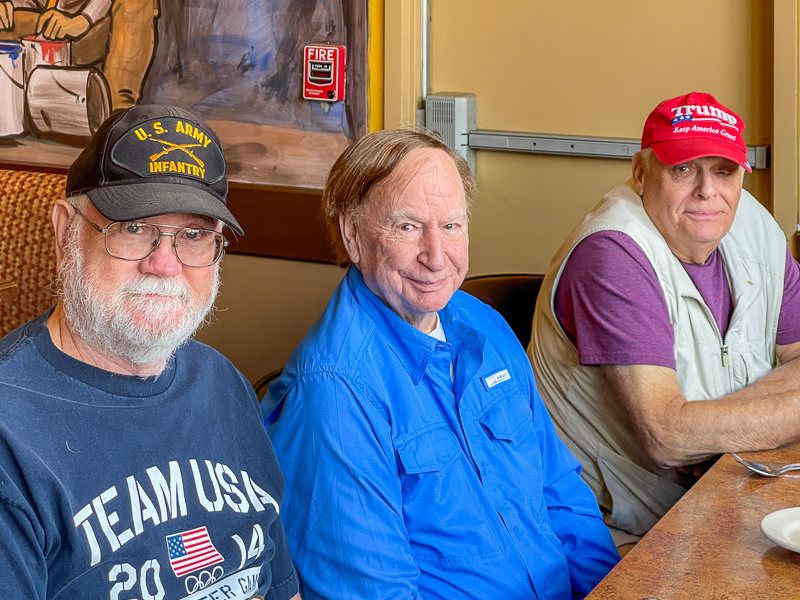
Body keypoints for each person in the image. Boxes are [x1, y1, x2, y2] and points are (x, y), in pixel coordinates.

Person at [265, 129, 620, 600]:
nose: (437, 257)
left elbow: (559, 491)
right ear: (353, 234)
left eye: (451, 225)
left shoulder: (483, 324)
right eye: (407, 226)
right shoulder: (332, 392)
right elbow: (374, 592)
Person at [0, 104, 300, 600]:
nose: (165, 264)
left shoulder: (223, 383)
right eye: (134, 228)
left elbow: (279, 584)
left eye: (195, 235)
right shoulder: (13, 436)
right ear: (63, 232)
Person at [529, 91, 800, 544]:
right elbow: (668, 437)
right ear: (640, 173)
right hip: (621, 527)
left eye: (724, 171)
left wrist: (712, 431)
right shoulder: (612, 252)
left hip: (720, 493)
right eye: (683, 168)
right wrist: (700, 430)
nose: (707, 191)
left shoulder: (751, 224)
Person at [0, 0, 158, 110]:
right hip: (35, 28)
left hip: (88, 32)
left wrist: (85, 19)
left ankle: (117, 114)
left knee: (138, 3)